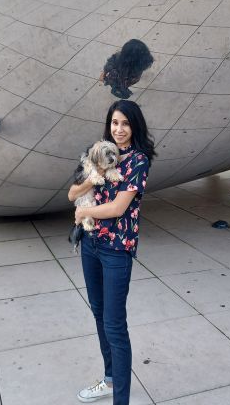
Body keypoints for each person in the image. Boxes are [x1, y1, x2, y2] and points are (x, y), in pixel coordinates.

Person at [69, 99, 155, 405]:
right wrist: (87, 187)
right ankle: (109, 380)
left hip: (117, 249)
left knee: (115, 325)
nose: (119, 129)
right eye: (115, 123)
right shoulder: (98, 153)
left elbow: (119, 207)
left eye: (126, 124)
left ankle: (121, 400)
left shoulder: (137, 160)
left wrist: (83, 213)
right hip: (91, 245)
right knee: (98, 313)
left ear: (135, 127)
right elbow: (71, 192)